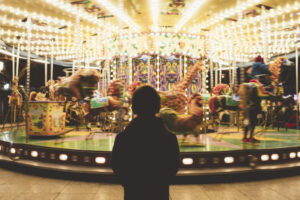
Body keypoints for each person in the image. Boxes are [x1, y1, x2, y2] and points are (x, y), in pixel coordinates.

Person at [111, 85, 180, 200]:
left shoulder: (123, 138)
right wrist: (160, 182)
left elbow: (117, 165)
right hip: (159, 192)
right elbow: (173, 166)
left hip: (133, 192)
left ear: (134, 108)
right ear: (158, 107)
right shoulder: (169, 138)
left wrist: (129, 182)